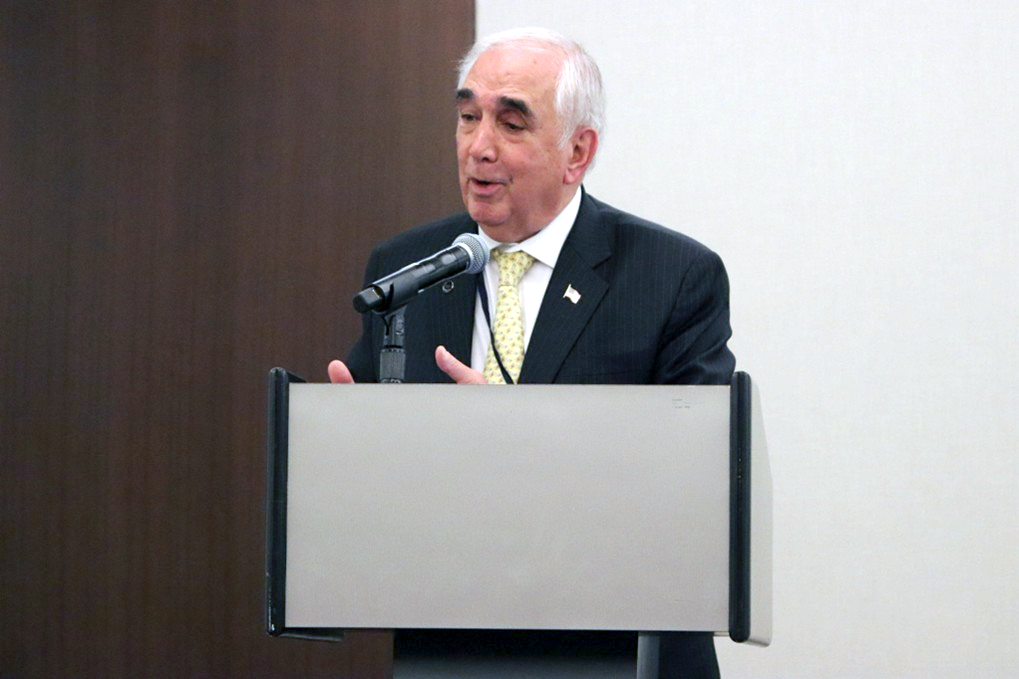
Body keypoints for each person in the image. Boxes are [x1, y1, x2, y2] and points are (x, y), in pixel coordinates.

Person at [329, 26, 734, 678]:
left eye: (511, 123)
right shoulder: (406, 269)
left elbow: (696, 478)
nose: (478, 147)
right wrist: (348, 448)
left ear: (577, 152)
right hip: (451, 645)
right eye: (468, 117)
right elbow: (383, 496)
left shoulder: (670, 276)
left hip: (622, 646)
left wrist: (521, 438)